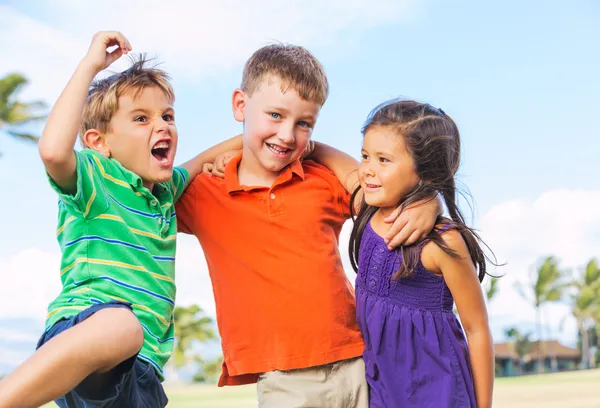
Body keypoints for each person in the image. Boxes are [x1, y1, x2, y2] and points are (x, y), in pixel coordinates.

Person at [175, 44, 440, 407]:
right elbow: (152, 195)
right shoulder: (204, 192)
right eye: (274, 115)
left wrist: (429, 200)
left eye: (303, 124)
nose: (286, 135)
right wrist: (233, 144)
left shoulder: (322, 179)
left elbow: (382, 193)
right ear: (240, 105)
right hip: (284, 378)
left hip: (360, 359)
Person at [0, 31, 241, 408]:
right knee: (122, 327)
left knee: (131, 337)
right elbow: (51, 152)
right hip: (89, 337)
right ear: (99, 142)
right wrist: (90, 65)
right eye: (142, 118)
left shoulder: (165, 190)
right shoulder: (95, 175)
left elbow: (213, 152)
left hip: (144, 371)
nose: (162, 125)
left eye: (167, 116)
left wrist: (279, 139)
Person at [348, 99, 495, 407]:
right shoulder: (366, 206)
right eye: (365, 156)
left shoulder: (443, 243)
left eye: (383, 160)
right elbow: (319, 151)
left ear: (425, 173)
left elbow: (476, 328)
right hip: (382, 392)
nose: (367, 170)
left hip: (438, 393)